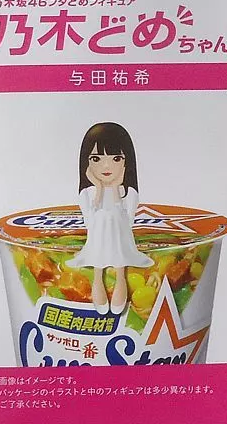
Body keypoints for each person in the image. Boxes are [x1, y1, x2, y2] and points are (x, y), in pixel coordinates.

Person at [67, 122, 153, 315]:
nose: (106, 166)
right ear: (86, 162)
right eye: (96, 159)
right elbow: (90, 219)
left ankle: (119, 290)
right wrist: (98, 188)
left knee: (120, 269)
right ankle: (99, 286)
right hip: (97, 237)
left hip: (120, 237)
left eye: (116, 158)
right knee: (97, 271)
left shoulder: (128, 192)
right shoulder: (88, 192)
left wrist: (114, 188)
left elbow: (126, 221)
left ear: (126, 161)